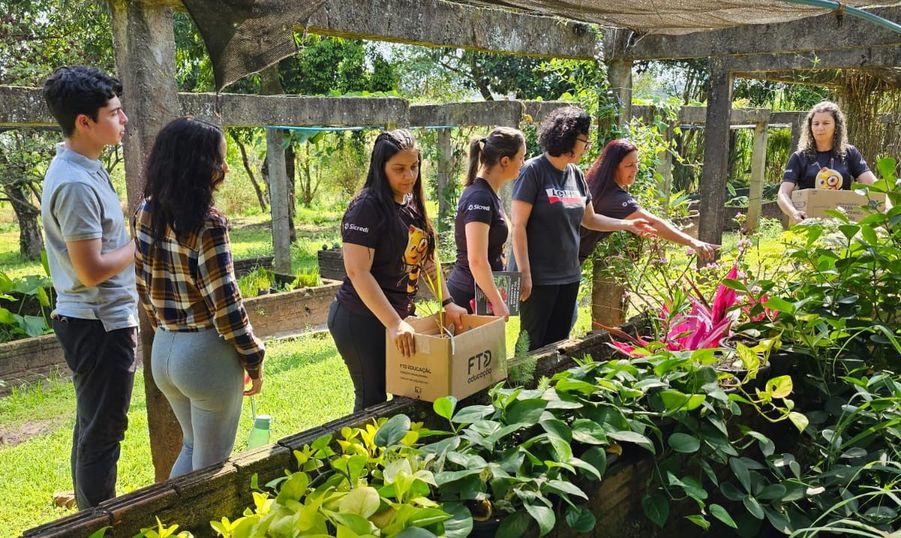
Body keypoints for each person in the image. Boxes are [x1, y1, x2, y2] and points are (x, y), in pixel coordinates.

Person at [133, 117, 265, 478]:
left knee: (192, 450)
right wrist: (254, 356)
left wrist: (164, 329)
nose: (226, 167)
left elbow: (142, 285)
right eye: (219, 160)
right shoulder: (208, 223)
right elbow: (226, 303)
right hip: (204, 355)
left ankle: (175, 531)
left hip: (164, 350)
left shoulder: (145, 211)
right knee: (211, 468)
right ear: (199, 165)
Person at [41, 66, 138, 509]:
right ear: (85, 121)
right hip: (98, 323)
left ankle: (85, 515)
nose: (122, 121)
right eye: (115, 113)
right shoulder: (76, 182)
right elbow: (90, 270)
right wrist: (140, 245)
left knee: (92, 425)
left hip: (95, 319)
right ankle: (98, 521)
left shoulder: (85, 165)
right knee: (103, 433)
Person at [328, 129, 467, 412]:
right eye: (399, 169)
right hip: (361, 320)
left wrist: (448, 302)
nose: (409, 176)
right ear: (381, 169)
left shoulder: (411, 204)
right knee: (372, 401)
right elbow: (358, 272)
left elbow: (427, 260)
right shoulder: (366, 207)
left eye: (414, 167)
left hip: (397, 319)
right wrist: (394, 323)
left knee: (407, 393)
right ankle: (368, 456)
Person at [510, 106, 655, 351]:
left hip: (568, 275)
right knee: (531, 344)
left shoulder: (575, 175)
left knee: (558, 345)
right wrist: (524, 273)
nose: (586, 147)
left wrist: (628, 224)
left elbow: (590, 219)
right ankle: (519, 388)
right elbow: (518, 225)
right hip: (538, 278)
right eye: (584, 141)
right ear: (566, 137)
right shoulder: (533, 171)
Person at [579, 139, 718, 265]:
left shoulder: (594, 184)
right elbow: (652, 223)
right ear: (613, 167)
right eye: (629, 165)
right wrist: (692, 241)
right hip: (567, 261)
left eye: (636, 163)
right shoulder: (615, 198)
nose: (635, 169)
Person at [447, 127, 526, 317]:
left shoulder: (488, 193)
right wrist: (498, 302)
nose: (523, 163)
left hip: (484, 293)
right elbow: (477, 260)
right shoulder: (479, 197)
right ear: (505, 161)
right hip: (469, 296)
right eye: (521, 157)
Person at [777, 100, 876, 222]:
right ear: (810, 127)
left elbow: (874, 186)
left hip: (841, 225)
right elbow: (783, 193)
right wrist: (793, 213)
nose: (820, 128)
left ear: (836, 127)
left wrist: (888, 208)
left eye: (826, 123)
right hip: (808, 224)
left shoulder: (850, 153)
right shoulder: (799, 157)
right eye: (816, 123)